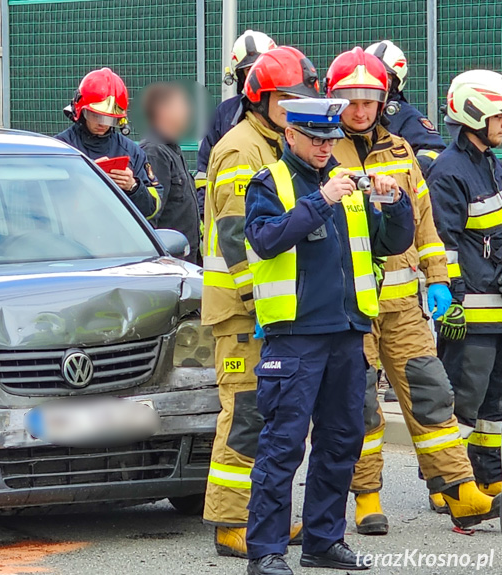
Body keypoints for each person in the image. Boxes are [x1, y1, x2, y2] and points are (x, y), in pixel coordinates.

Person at [328, 47, 500, 536]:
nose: (360, 111)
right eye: (351, 101)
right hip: (350, 306)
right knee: (359, 405)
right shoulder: (320, 149)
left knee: (432, 393)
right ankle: (367, 497)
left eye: (370, 101)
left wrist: (440, 280)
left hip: (403, 305)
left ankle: (458, 487)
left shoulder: (401, 151)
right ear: (333, 100)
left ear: (385, 101)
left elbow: (426, 226)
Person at [244, 97, 415, 575]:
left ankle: (323, 541)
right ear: (291, 135)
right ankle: (267, 551)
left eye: (330, 140)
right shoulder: (270, 182)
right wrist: (322, 199)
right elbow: (265, 239)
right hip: (296, 335)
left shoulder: (348, 184)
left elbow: (390, 243)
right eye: (316, 140)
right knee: (283, 444)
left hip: (347, 331)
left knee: (341, 441)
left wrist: (396, 203)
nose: (325, 148)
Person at [202, 46, 318, 559]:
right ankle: (232, 523)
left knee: (265, 413)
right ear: (261, 98)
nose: (295, 104)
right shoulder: (241, 149)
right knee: (246, 411)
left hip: (267, 307)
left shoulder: (272, 143)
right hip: (243, 309)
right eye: (285, 97)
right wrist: (257, 303)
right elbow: (233, 237)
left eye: (300, 96)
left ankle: (253, 515)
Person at [429, 70, 502, 507]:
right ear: (475, 113)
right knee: (460, 403)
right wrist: (451, 300)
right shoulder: (450, 171)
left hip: (494, 308)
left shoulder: (489, 164)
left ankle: (488, 478)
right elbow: (445, 241)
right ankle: (447, 485)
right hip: (469, 311)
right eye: (499, 115)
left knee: (494, 404)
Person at [56, 68, 161, 220]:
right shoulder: (60, 149)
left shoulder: (131, 151)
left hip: (119, 238)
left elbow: (152, 209)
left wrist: (133, 187)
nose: (102, 124)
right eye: (95, 116)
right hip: (75, 237)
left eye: (110, 119)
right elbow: (49, 206)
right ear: (80, 111)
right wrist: (85, 176)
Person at [196, 30, 277, 216]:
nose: (257, 75)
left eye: (262, 67)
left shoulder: (286, 111)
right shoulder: (224, 113)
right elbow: (204, 171)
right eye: (250, 70)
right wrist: (203, 213)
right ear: (239, 75)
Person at [140, 82, 200, 262]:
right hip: (169, 265)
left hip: (185, 262)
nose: (187, 113)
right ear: (162, 111)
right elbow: (151, 215)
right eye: (181, 107)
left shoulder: (171, 149)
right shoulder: (155, 152)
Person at [366, 40, 446, 174]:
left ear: (396, 82)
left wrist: (404, 174)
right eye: (369, 76)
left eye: (383, 78)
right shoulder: (350, 111)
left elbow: (435, 152)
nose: (375, 84)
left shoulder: (406, 117)